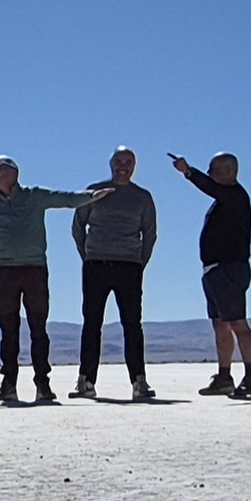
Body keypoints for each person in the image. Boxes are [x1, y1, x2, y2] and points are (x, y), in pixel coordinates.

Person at [0, 157, 96, 406]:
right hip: (6, 273)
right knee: (8, 331)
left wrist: (92, 197)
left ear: (13, 173)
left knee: (38, 328)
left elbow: (66, 199)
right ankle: (8, 384)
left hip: (35, 270)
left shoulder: (34, 197)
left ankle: (42, 384)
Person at [72, 146, 164, 401]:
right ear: (111, 163)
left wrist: (139, 263)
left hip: (129, 266)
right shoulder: (95, 191)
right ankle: (85, 381)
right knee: (92, 323)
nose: (123, 166)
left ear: (134, 166)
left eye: (128, 162)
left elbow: (150, 234)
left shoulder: (142, 197)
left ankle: (139, 381)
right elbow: (78, 227)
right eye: (118, 161)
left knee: (132, 325)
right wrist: (88, 255)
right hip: (96, 265)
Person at [170, 150, 251, 397]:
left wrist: (189, 172)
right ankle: (224, 377)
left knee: (237, 322)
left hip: (230, 269)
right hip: (214, 270)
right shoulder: (223, 200)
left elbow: (210, 188)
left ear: (229, 171)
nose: (209, 173)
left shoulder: (235, 195)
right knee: (220, 324)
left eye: (213, 169)